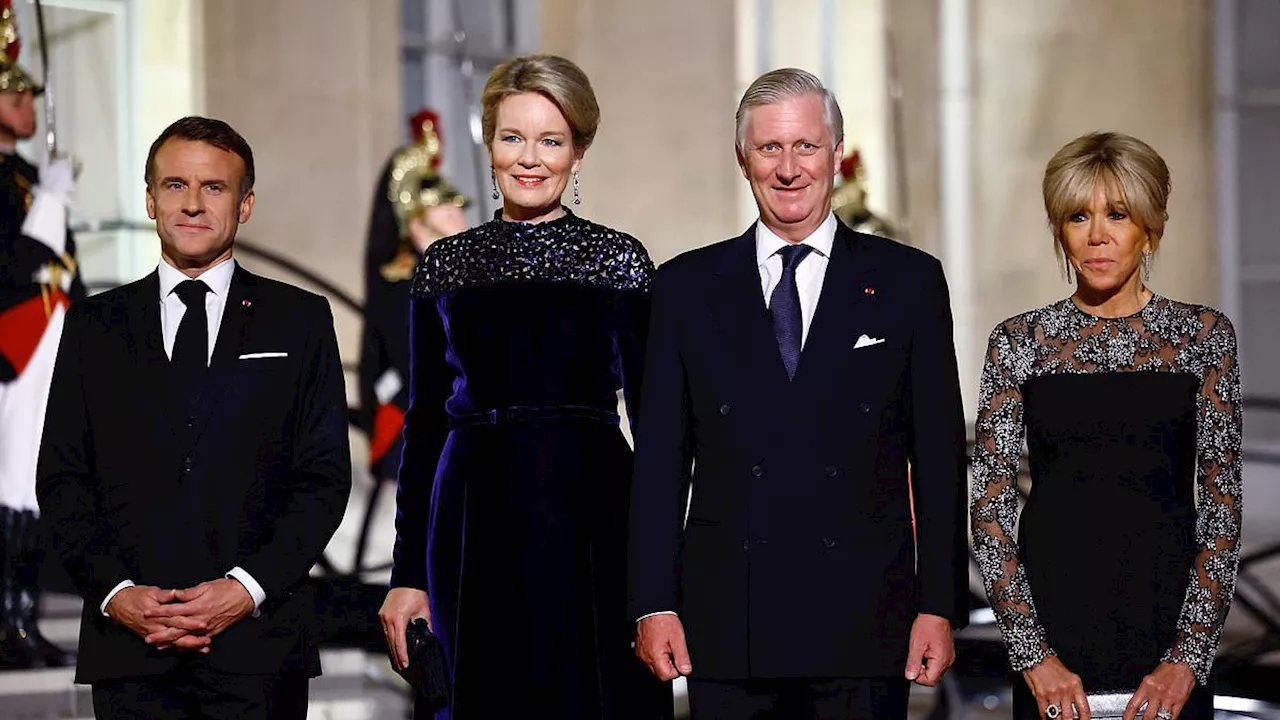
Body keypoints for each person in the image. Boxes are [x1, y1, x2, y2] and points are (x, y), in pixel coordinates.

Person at [629, 67, 969, 719]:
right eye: (770, 148)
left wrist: (939, 604)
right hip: (728, 624)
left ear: (836, 152)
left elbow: (937, 460)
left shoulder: (909, 283)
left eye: (806, 146)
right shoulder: (685, 288)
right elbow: (659, 465)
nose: (789, 169)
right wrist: (653, 600)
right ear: (742, 158)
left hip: (865, 621)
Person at [378, 54, 669, 719]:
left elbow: (656, 433)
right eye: (513, 138)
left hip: (594, 515)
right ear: (489, 145)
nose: (530, 158)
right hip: (471, 518)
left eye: (551, 140)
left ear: (579, 152)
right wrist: (406, 576)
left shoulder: (617, 259)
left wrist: (661, 582)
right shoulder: (445, 266)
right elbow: (423, 430)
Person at [36, 116, 351, 719]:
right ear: (150, 200)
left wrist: (245, 589)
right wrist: (117, 594)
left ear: (246, 203)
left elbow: (323, 479)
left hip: (259, 647)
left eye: (214, 187)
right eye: (176, 185)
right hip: (129, 649)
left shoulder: (300, 320)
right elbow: (62, 478)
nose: (193, 203)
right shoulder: (92, 326)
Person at [970, 132, 1242, 720]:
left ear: (1151, 226)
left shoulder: (1202, 338)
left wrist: (1188, 659)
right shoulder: (1020, 343)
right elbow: (989, 513)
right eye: (1078, 216)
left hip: (1170, 643)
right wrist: (1032, 656)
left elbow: (1222, 510)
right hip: (1052, 643)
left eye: (1117, 214)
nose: (1097, 235)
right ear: (1059, 230)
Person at [0, 0, 81, 670]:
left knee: (27, 482)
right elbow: (16, 265)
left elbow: (62, 272)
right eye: (15, 91)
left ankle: (18, 617)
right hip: (7, 346)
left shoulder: (27, 178)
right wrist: (49, 206)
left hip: (43, 344)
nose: (28, 105)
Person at [360, 108, 468, 492]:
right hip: (415, 430)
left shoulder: (453, 277)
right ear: (419, 222)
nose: (461, 217)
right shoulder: (403, 284)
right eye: (449, 210)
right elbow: (416, 364)